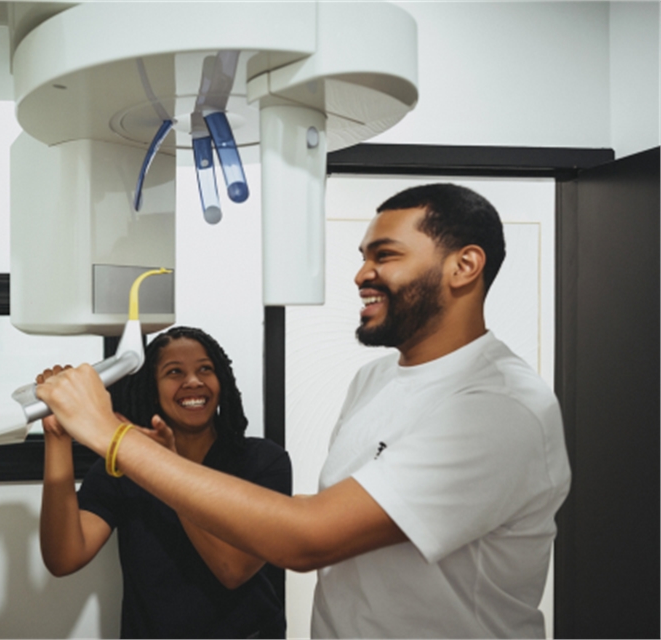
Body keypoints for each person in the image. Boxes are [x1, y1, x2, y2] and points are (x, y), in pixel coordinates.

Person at [36, 183, 572, 638]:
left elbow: (306, 538)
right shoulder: (376, 379)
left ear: (464, 266)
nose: (361, 274)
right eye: (363, 257)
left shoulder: (499, 409)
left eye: (384, 255)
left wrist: (111, 435)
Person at [38, 326, 291, 639]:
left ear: (221, 381)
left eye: (205, 369)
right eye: (174, 372)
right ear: (151, 389)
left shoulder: (263, 461)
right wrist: (57, 436)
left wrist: (163, 466)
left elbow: (232, 569)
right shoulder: (122, 467)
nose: (194, 381)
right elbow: (64, 557)